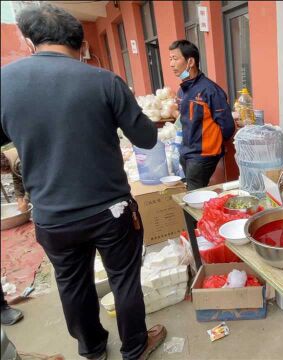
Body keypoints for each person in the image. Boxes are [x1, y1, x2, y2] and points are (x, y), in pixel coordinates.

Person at [1, 4, 166, 359]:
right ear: (80, 45)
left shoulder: (4, 83)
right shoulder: (103, 80)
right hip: (111, 210)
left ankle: (92, 349)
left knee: (72, 285)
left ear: (31, 42)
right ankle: (135, 348)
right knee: (123, 278)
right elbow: (147, 138)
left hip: (52, 216)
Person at [169, 40, 235, 191]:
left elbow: (227, 127)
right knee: (194, 193)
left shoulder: (210, 90)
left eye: (175, 58)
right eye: (170, 59)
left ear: (190, 61)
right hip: (186, 152)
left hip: (202, 156)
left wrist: (213, 144)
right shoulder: (182, 91)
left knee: (194, 198)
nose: (171, 64)